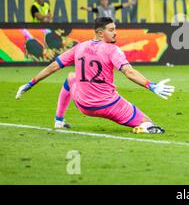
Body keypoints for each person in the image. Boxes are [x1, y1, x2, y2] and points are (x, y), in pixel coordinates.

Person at [15, 17, 174, 134]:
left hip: (83, 104)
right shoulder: (113, 50)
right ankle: (144, 129)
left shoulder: (79, 47)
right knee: (148, 122)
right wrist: (151, 85)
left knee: (71, 77)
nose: (115, 33)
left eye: (114, 29)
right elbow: (129, 72)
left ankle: (59, 120)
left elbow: (54, 66)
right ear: (99, 33)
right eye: (111, 30)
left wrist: (30, 84)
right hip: (108, 105)